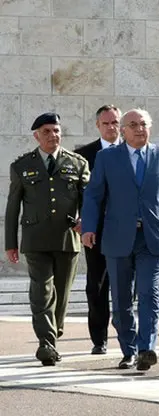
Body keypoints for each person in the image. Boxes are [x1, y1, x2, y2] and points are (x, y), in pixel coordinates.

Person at [80, 108, 159, 372]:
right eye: (133, 124)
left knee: (148, 294)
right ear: (123, 130)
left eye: (143, 124)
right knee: (120, 299)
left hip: (151, 237)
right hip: (117, 237)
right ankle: (128, 350)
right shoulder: (107, 158)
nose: (139, 129)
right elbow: (93, 196)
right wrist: (89, 228)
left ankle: (146, 348)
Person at [4, 112, 90, 366]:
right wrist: (10, 243)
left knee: (61, 295)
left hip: (67, 238)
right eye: (47, 131)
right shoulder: (22, 166)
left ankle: (53, 334)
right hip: (36, 239)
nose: (53, 135)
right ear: (36, 136)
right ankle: (46, 342)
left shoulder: (77, 163)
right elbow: (12, 207)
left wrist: (87, 222)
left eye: (56, 130)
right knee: (41, 292)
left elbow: (89, 201)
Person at [74, 105, 123, 355]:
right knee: (97, 284)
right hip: (96, 230)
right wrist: (78, 221)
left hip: (125, 228)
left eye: (115, 122)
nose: (112, 127)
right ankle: (99, 339)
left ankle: (126, 333)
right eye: (106, 123)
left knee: (126, 284)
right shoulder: (83, 155)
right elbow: (74, 194)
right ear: (98, 126)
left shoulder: (132, 151)